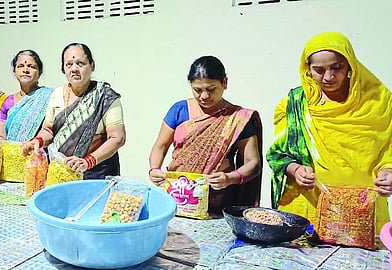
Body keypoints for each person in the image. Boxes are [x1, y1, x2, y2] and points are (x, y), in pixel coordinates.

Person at [266, 32, 392, 230]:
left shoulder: (378, 102)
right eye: (319, 70)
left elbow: (387, 149)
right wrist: (296, 170)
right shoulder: (296, 104)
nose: (329, 77)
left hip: (363, 210)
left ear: (350, 64)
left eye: (337, 67)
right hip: (310, 207)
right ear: (307, 70)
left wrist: (388, 172)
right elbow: (278, 154)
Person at [148, 55, 263, 215]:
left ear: (225, 83)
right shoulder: (179, 110)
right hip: (178, 194)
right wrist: (154, 169)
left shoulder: (238, 119)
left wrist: (230, 178)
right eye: (197, 90)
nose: (204, 96)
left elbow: (253, 163)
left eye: (211, 89)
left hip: (218, 198)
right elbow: (160, 146)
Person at [22, 43, 126, 179]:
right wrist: (38, 141)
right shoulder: (57, 94)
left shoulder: (105, 96)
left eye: (80, 63)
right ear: (63, 68)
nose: (74, 69)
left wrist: (88, 161)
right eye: (69, 64)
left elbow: (117, 138)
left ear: (92, 66)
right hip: (62, 172)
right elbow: (48, 130)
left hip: (97, 174)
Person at [0, 50, 53, 142]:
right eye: (21, 66)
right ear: (14, 71)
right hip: (11, 154)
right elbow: (1, 137)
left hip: (39, 153)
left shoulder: (49, 96)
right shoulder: (8, 102)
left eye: (31, 67)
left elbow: (52, 131)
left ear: (40, 72)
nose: (25, 70)